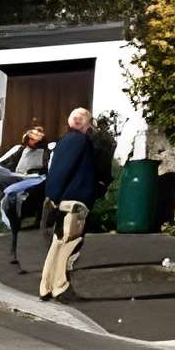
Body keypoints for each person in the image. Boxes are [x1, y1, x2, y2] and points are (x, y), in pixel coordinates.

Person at [35, 107, 106, 302]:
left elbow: (57, 170)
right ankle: (60, 286)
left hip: (64, 199)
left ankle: (46, 287)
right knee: (70, 242)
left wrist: (53, 197)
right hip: (75, 200)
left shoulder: (64, 141)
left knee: (58, 242)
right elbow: (63, 171)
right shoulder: (79, 141)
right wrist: (53, 197)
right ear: (86, 124)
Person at [0, 124, 52, 267]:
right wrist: (15, 174)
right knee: (13, 215)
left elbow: (49, 170)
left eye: (37, 139)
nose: (33, 142)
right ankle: (14, 250)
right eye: (31, 138)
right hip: (16, 183)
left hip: (36, 185)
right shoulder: (18, 150)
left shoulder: (45, 152)